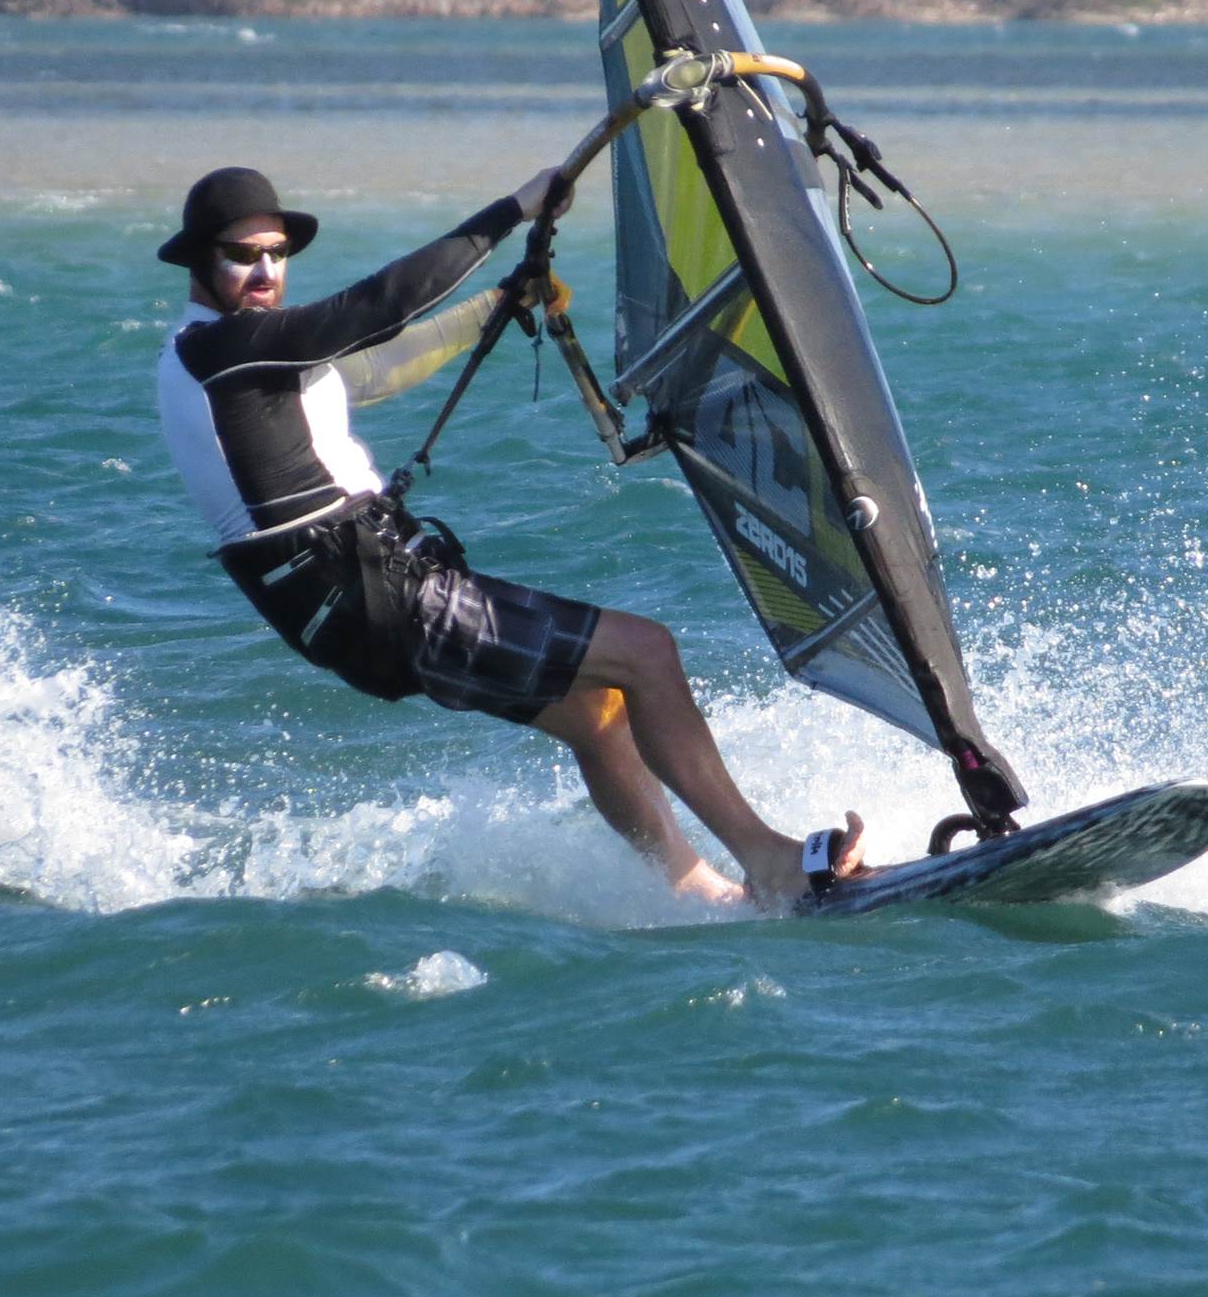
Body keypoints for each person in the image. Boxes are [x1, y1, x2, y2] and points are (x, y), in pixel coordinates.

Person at [152, 165, 867, 907]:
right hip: (372, 592)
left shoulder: (243, 359)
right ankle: (770, 860)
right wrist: (515, 209)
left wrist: (495, 305)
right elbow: (376, 308)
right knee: (647, 653)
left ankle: (704, 897)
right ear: (200, 260)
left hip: (354, 604)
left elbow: (369, 368)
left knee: (596, 713)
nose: (265, 271)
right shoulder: (219, 348)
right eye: (242, 255)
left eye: (276, 253)